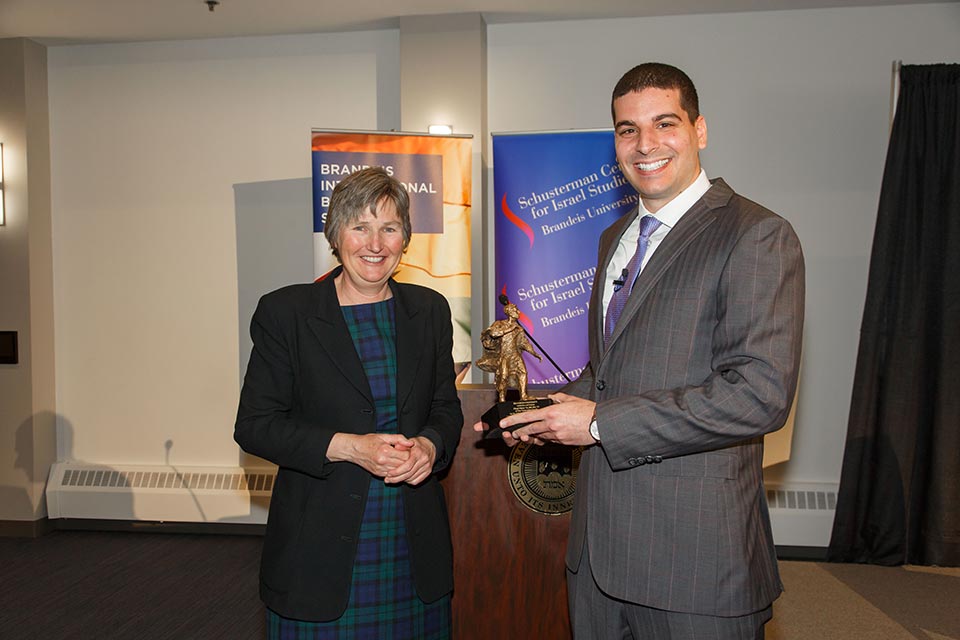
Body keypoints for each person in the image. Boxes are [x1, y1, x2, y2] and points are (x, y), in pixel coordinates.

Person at [478, 63, 805, 638]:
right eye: (627, 129)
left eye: (664, 123)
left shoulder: (756, 234)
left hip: (696, 562)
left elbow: (759, 395)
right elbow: (609, 373)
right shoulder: (615, 238)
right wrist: (547, 413)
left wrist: (600, 423)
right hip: (599, 558)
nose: (645, 144)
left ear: (699, 130)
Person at [236, 166, 463, 638]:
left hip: (411, 548)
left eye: (389, 227)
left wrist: (430, 445)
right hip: (317, 554)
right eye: (359, 226)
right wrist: (349, 446)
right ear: (335, 235)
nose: (374, 243)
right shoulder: (287, 313)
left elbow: (445, 407)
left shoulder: (430, 311)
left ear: (405, 238)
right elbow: (255, 425)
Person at [476, 302, 542, 401]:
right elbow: (494, 334)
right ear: (509, 312)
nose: (518, 312)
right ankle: (502, 398)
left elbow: (524, 343)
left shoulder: (519, 329)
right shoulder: (499, 324)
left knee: (523, 373)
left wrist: (535, 354)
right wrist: (511, 328)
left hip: (515, 355)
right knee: (503, 376)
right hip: (504, 356)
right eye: (515, 310)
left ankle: (523, 395)